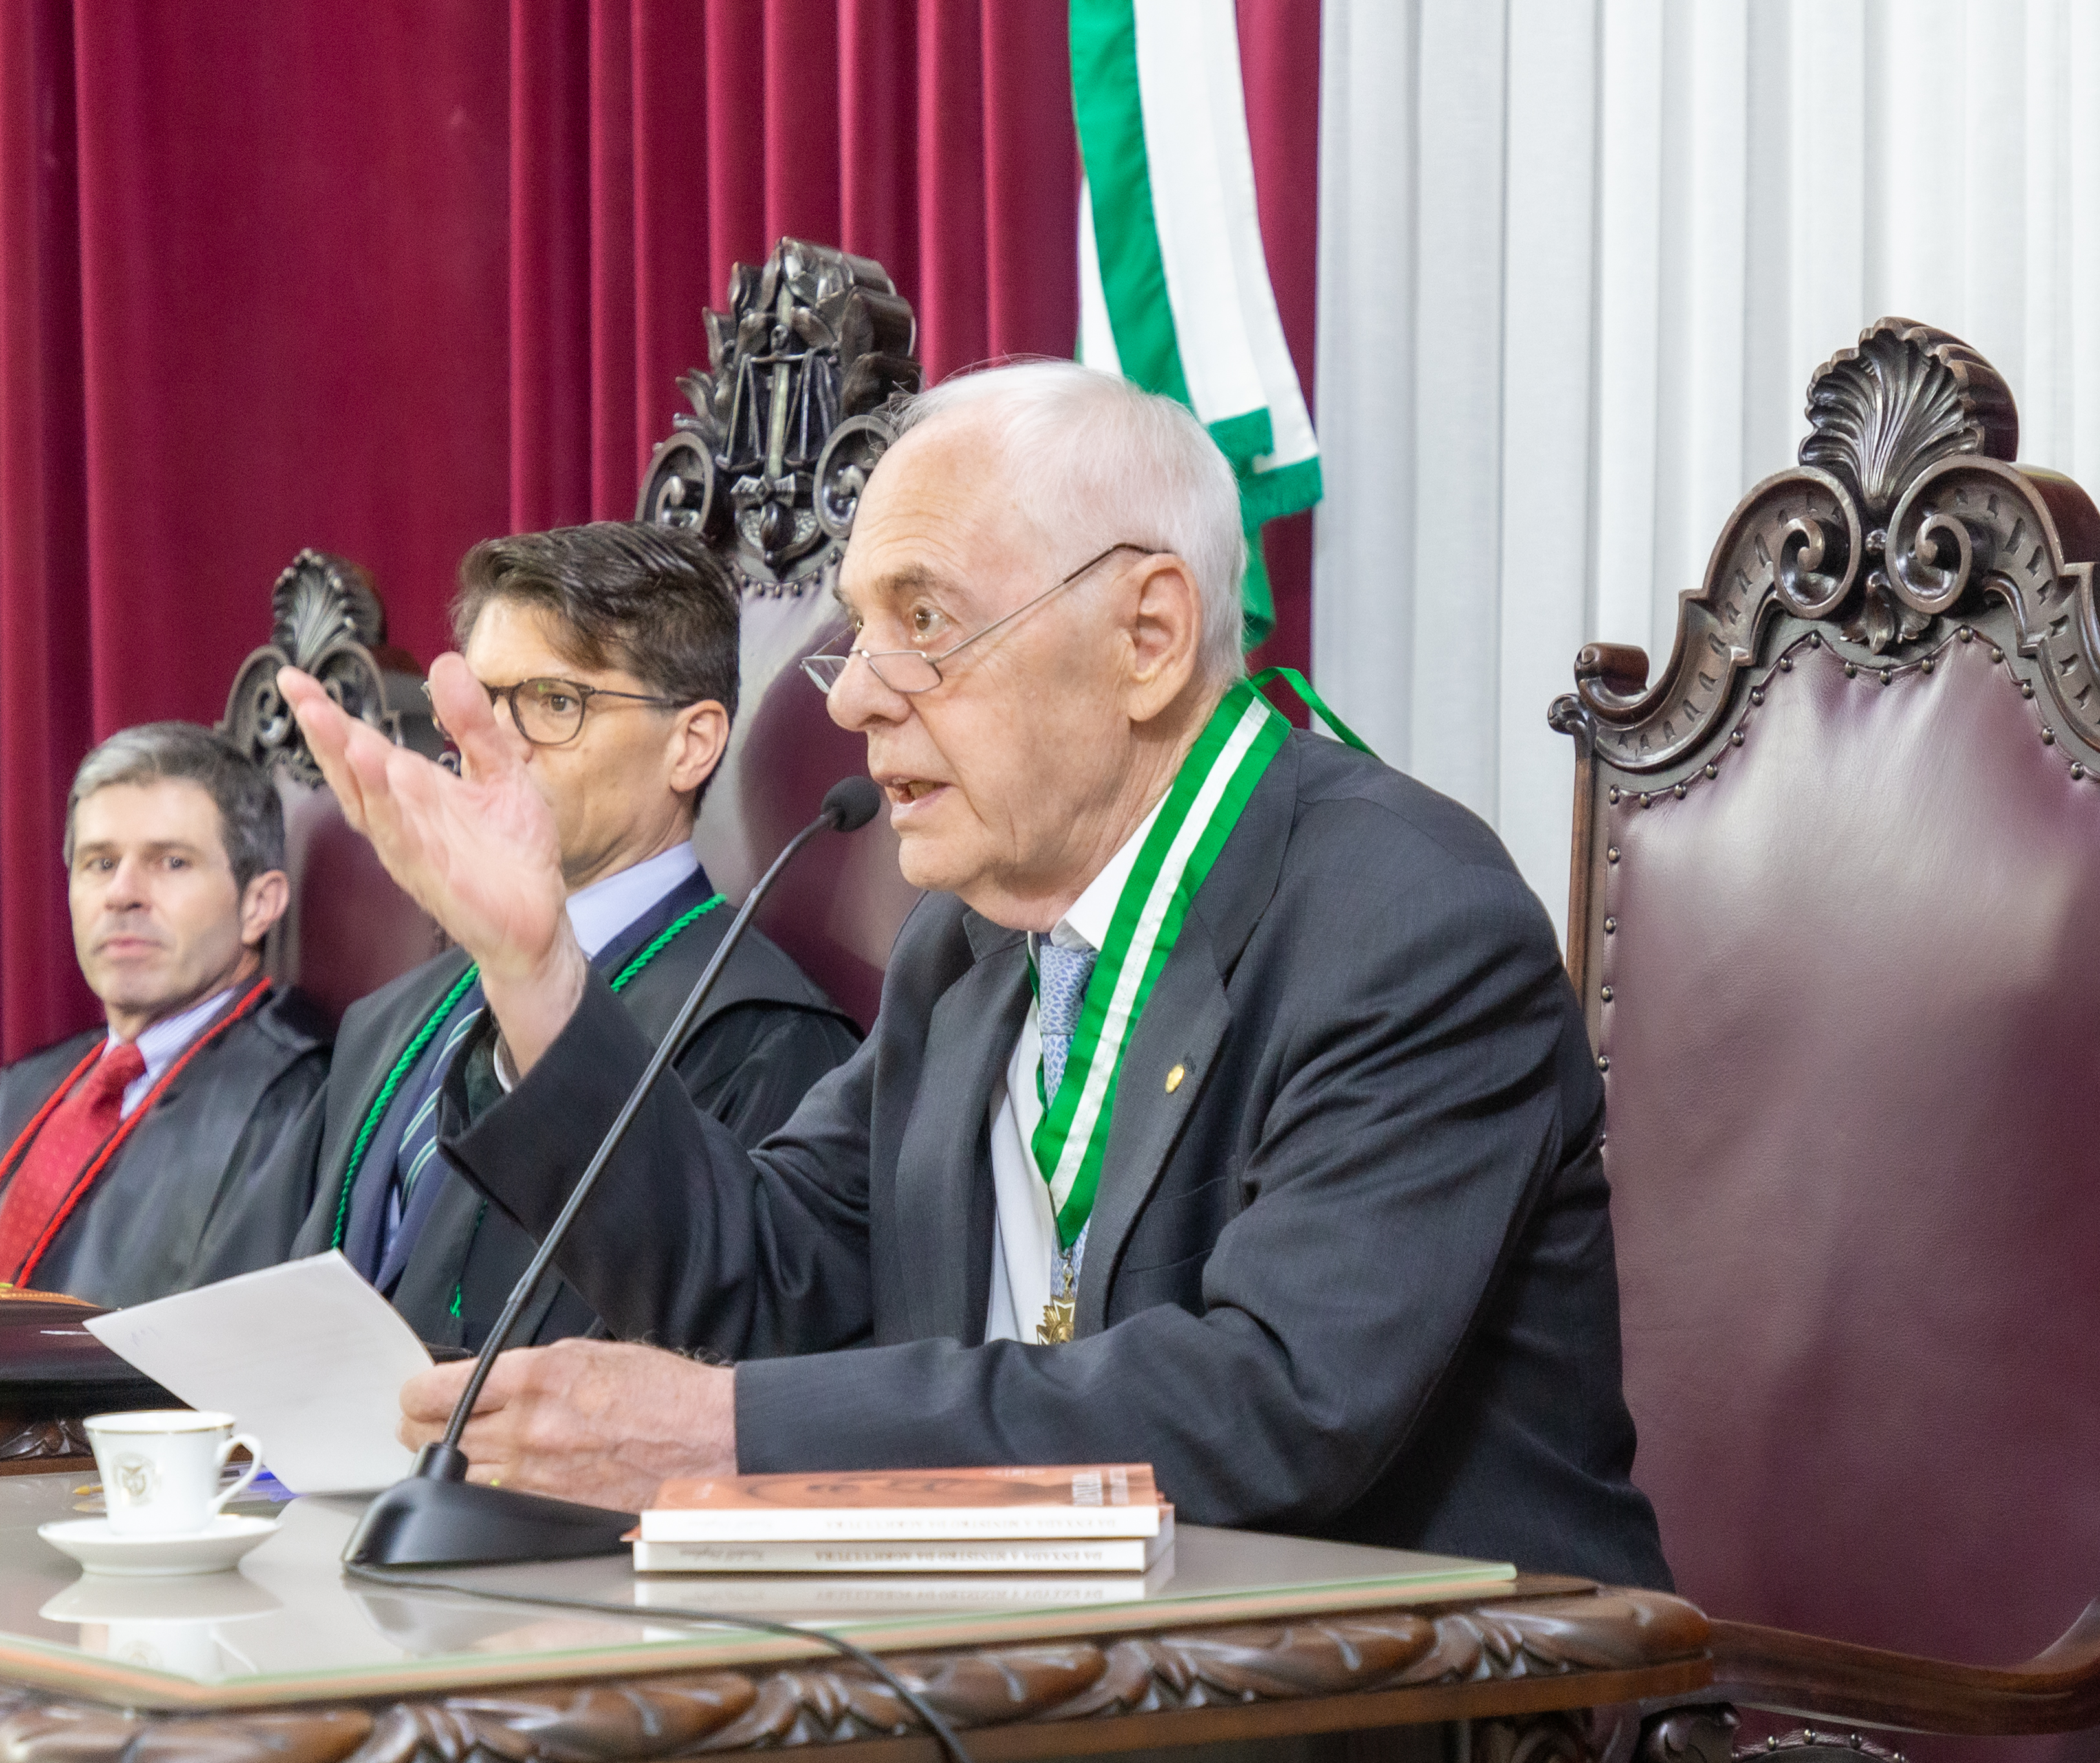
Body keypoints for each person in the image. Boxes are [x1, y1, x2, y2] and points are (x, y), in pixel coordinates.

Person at [283, 363, 1669, 1586]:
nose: (850, 695)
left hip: (1412, 1693)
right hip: (1026, 1667)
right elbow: (764, 1278)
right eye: (857, 628)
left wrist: (724, 1436)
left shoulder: (1400, 914)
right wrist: (532, 967)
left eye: (924, 619)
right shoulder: (972, 942)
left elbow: (1273, 1405)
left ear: (1147, 637)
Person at [277, 524, 862, 1350]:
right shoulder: (388, 1021)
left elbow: (728, 1354)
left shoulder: (763, 1034)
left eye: (556, 703)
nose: (499, 744)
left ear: (690, 744)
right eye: (481, 705)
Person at [0, 724, 330, 1307]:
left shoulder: (299, 1107)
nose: (122, 893)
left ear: (259, 904)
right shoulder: (23, 1086)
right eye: (99, 863)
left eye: (171, 862)